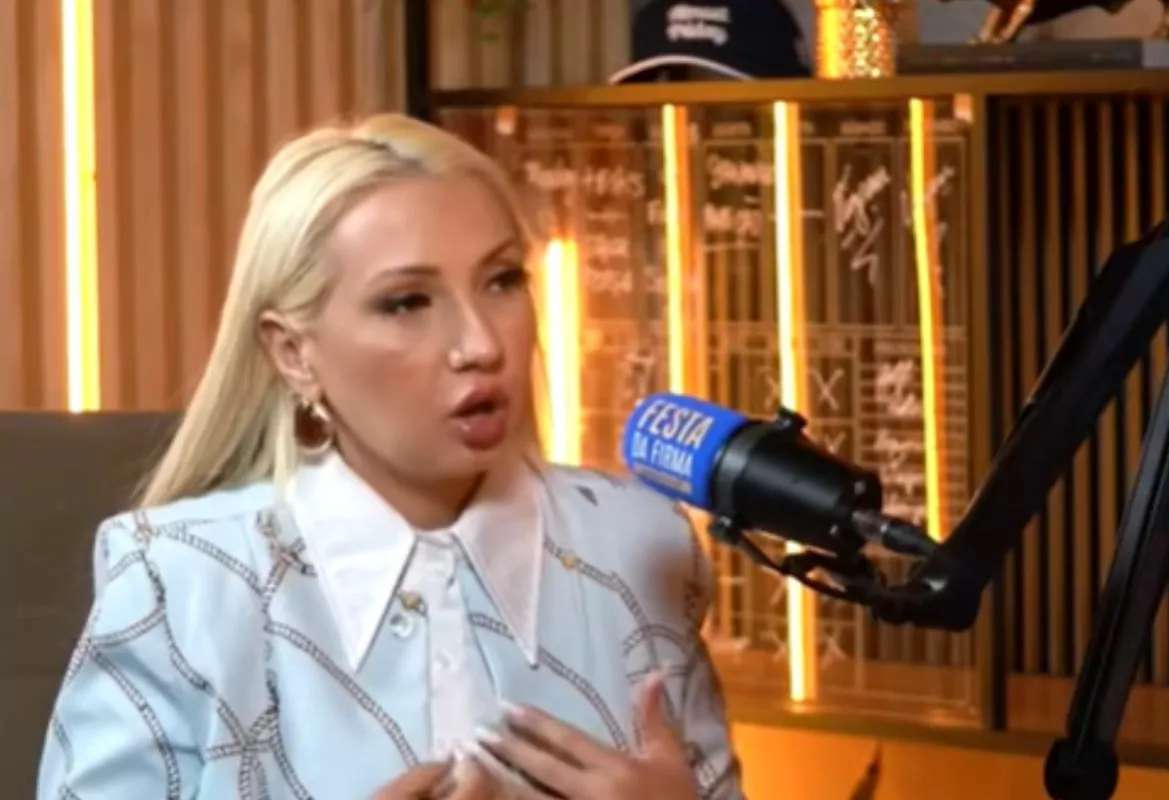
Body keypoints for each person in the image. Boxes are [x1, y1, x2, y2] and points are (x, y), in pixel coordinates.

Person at [36, 113, 742, 799]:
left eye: (502, 281)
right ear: (293, 352)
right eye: (407, 303)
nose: (481, 345)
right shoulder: (182, 579)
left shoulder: (637, 545)